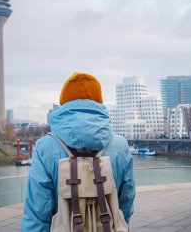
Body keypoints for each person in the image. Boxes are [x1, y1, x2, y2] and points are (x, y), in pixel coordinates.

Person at [21, 72, 135, 232]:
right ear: (99, 101)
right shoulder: (121, 145)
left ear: (64, 102)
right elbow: (126, 201)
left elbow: (37, 212)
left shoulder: (44, 147)